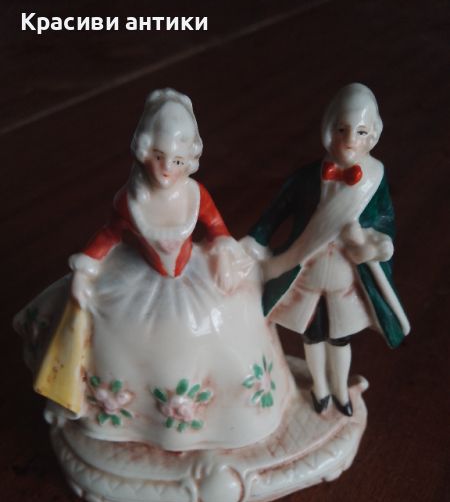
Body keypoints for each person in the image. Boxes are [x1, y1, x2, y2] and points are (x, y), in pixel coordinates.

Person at [16, 89, 296, 451]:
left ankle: (225, 415)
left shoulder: (195, 194)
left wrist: (224, 249)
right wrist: (87, 265)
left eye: (177, 161)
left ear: (190, 159)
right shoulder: (130, 199)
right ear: (144, 150)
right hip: (138, 280)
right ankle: (108, 410)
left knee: (225, 321)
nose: (167, 168)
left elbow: (216, 228)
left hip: (194, 276)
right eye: (160, 157)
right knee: (108, 327)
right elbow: (110, 234)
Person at [245, 83, 410, 416]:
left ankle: (340, 388)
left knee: (340, 339)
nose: (350, 140)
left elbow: (385, 220)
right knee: (312, 335)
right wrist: (254, 242)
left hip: (345, 280)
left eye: (360, 132)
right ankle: (319, 388)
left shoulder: (375, 178)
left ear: (373, 136)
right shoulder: (306, 178)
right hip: (306, 275)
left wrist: (373, 241)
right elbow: (275, 213)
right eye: (342, 129)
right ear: (328, 129)